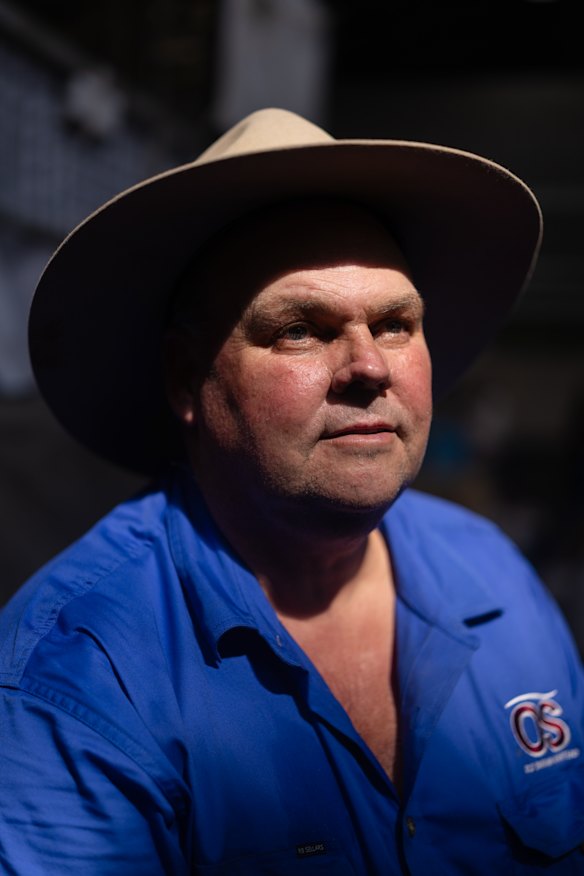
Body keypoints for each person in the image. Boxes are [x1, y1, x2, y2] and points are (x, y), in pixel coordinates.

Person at [0, 108, 582, 875]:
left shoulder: (495, 575)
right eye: (301, 329)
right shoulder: (78, 673)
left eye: (396, 323)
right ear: (187, 377)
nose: (370, 366)